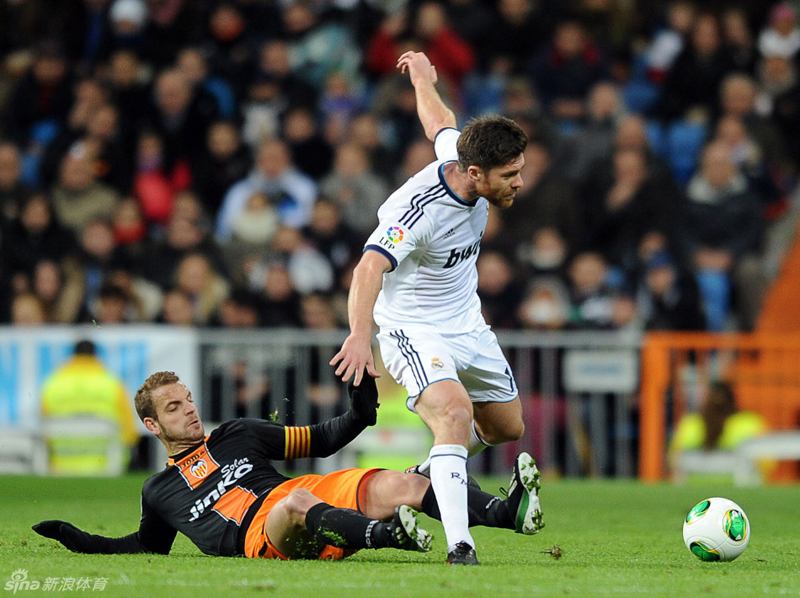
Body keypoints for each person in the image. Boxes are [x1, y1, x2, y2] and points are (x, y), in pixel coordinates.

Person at [330, 51, 541, 566]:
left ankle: (428, 475)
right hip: (413, 329)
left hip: (467, 322)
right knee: (453, 414)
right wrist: (360, 335)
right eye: (510, 174)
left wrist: (424, 80)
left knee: (504, 429)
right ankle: (460, 545)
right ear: (474, 173)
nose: (518, 182)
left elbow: (440, 123)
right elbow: (368, 269)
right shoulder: (416, 211)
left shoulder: (463, 157)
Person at [32, 371, 543, 564]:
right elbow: (145, 548)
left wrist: (361, 414)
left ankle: (506, 511)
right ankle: (384, 537)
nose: (188, 409)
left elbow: (319, 439)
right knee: (295, 502)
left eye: (187, 399)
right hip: (263, 534)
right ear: (151, 425)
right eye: (173, 407)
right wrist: (79, 539)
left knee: (407, 480)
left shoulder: (236, 434)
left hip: (311, 491)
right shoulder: (158, 490)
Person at [40, 340, 140, 475]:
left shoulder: (52, 384)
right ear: (96, 356)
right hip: (107, 466)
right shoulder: (113, 384)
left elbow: (45, 430)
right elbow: (130, 434)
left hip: (61, 466)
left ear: (72, 356)